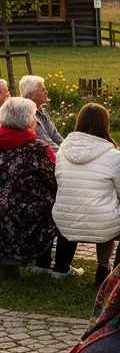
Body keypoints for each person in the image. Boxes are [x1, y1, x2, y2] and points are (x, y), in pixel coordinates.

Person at [52, 103, 120, 285]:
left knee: (78, 206)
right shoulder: (111, 154)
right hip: (102, 222)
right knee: (108, 214)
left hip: (65, 218)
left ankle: (61, 267)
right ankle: (103, 267)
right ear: (105, 124)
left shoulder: (62, 150)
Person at [0, 96, 59, 268]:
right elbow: (56, 180)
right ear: (29, 120)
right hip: (25, 222)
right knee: (53, 202)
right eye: (34, 116)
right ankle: (42, 263)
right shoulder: (39, 149)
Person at [19, 74, 63, 151]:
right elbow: (46, 144)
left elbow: (55, 135)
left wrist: (69, 150)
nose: (46, 92)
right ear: (31, 95)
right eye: (43, 90)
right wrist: (64, 157)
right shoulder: (28, 114)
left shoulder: (41, 110)